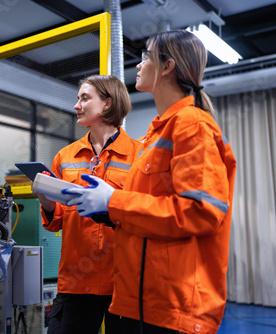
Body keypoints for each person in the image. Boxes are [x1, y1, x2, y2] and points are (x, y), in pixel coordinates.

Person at [63, 30, 237, 334]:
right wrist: (106, 210)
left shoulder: (191, 125)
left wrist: (112, 201)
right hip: (138, 302)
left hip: (172, 308)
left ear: (167, 66)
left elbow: (201, 211)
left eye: (146, 56)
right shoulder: (152, 137)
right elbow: (147, 215)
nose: (139, 64)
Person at [35, 74, 142, 334]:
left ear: (107, 103)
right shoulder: (66, 156)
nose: (76, 105)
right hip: (76, 281)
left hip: (123, 283)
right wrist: (47, 202)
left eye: (84, 98)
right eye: (77, 98)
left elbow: (142, 215)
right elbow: (57, 220)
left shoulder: (140, 155)